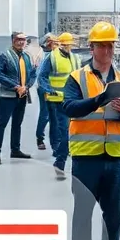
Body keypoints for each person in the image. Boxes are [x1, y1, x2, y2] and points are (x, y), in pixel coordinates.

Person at [63, 21, 120, 240]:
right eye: (102, 45)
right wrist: (99, 100)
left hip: (115, 157)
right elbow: (69, 107)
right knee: (83, 215)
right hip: (86, 158)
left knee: (113, 215)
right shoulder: (77, 78)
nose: (107, 50)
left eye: (110, 45)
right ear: (91, 47)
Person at [38, 31, 81, 180]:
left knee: (69, 130)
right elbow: (42, 76)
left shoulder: (76, 58)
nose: (69, 48)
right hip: (57, 100)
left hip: (72, 100)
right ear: (61, 45)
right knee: (63, 129)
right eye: (66, 45)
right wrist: (50, 90)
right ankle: (60, 161)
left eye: (70, 45)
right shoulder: (52, 57)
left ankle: (61, 160)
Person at [0, 31, 36, 163]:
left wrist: (27, 87)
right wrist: (15, 86)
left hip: (22, 96)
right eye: (18, 39)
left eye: (23, 40)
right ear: (13, 41)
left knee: (17, 124)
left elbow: (33, 74)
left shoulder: (27, 57)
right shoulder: (5, 56)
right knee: (2, 123)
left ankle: (15, 150)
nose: (21, 42)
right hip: (8, 96)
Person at [34, 33, 55, 151]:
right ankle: (40, 138)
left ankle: (54, 141)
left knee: (55, 116)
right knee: (45, 113)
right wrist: (48, 90)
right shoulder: (46, 56)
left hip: (52, 89)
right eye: (52, 42)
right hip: (44, 89)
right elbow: (40, 76)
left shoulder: (51, 54)